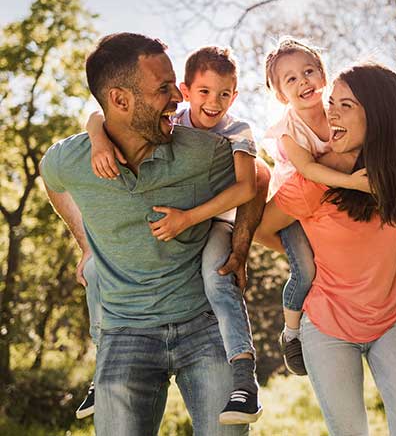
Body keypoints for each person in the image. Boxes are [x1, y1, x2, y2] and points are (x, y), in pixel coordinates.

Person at [40, 32, 267, 436]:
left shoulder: (203, 150)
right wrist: (86, 244)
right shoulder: (71, 159)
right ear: (120, 100)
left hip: (202, 324)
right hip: (124, 331)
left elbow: (258, 178)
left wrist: (240, 246)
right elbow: (51, 180)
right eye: (163, 89)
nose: (177, 98)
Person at [255, 62, 396, 435]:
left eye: (345, 105)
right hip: (328, 326)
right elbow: (261, 230)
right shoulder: (311, 184)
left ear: (378, 114)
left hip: (395, 318)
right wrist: (309, 266)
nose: (329, 111)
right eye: (331, 101)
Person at [260, 37, 370, 375]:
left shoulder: (337, 112)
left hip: (326, 201)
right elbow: (307, 170)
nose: (303, 81)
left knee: (338, 261)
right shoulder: (288, 130)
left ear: (323, 75)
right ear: (281, 94)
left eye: (308, 72)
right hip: (292, 206)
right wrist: (353, 182)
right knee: (305, 269)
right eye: (290, 79)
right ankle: (291, 332)